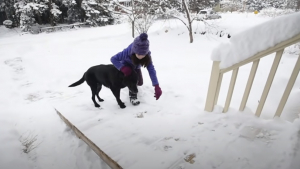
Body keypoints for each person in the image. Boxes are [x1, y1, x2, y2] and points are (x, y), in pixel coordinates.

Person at [111, 33, 162, 106]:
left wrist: (156, 85)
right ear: (134, 51)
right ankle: (132, 95)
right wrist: (122, 68)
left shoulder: (147, 55)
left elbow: (151, 69)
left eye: (143, 55)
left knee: (140, 82)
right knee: (132, 81)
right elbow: (113, 59)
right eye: (138, 54)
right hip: (126, 67)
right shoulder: (127, 51)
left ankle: (132, 85)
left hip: (136, 67)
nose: (141, 57)